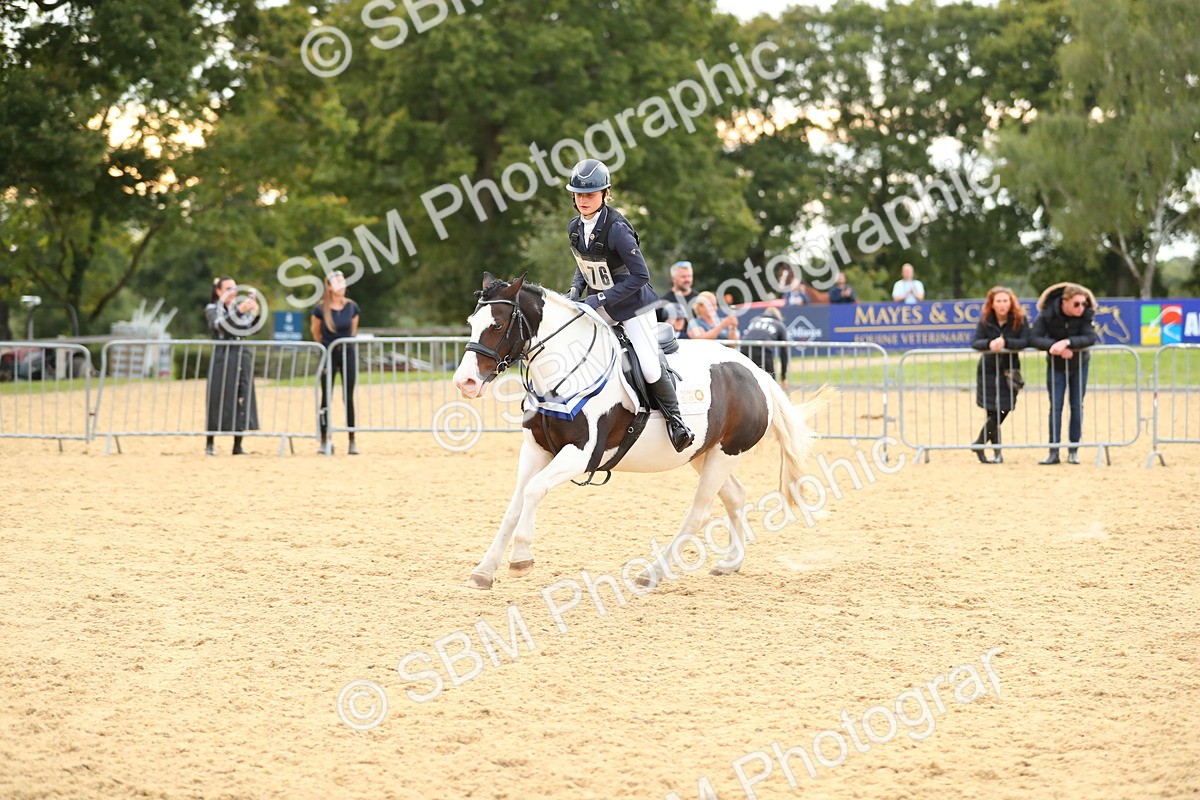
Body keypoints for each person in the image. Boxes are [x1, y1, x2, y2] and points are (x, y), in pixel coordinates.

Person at [566, 158, 694, 452]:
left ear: (604, 193)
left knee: (648, 367)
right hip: (601, 303)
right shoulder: (574, 227)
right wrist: (575, 288)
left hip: (633, 305)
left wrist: (599, 299)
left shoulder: (617, 228)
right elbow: (583, 264)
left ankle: (677, 422)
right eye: (579, 194)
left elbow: (641, 275)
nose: (583, 200)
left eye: (590, 194)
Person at [1030, 282, 1098, 465]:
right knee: (1056, 407)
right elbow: (1033, 337)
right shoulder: (1048, 314)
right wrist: (1054, 347)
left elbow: (1091, 337)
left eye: (1083, 304)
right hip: (1056, 366)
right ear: (1064, 302)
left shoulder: (1085, 315)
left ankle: (1073, 451)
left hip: (1079, 364)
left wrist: (1067, 343)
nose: (1081, 308)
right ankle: (1053, 452)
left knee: (1076, 406)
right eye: (1076, 304)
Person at [969, 287, 1028, 464]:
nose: (1002, 305)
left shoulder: (1019, 320)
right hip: (988, 370)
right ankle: (996, 453)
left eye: (1005, 301)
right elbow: (975, 342)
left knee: (1004, 409)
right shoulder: (985, 321)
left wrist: (1006, 342)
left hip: (1009, 371)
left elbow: (1026, 341)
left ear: (1011, 303)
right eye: (998, 301)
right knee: (992, 411)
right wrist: (990, 344)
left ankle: (980, 442)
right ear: (992, 304)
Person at [204, 276, 260, 456]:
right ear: (218, 291)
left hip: (241, 355)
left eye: (234, 288)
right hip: (222, 356)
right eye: (228, 288)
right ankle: (210, 442)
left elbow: (250, 329)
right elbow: (220, 326)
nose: (232, 292)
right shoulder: (212, 309)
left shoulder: (238, 307)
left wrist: (254, 313)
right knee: (217, 397)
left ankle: (238, 444)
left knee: (242, 396)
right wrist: (239, 312)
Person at [312, 270, 361, 455]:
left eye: (343, 282)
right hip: (328, 355)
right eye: (337, 283)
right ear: (330, 287)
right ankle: (325, 439)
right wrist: (327, 349)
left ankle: (351, 439)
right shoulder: (320, 309)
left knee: (348, 397)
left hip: (347, 354)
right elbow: (316, 333)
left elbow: (352, 331)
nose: (342, 286)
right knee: (326, 397)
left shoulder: (352, 307)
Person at [742, 306, 790, 385]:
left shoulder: (754, 320)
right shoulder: (779, 324)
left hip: (745, 349)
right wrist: (783, 377)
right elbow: (784, 350)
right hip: (763, 352)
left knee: (744, 382)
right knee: (771, 384)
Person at [659, 260, 697, 339]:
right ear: (673, 278)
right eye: (683, 277)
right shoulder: (663, 302)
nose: (687, 279)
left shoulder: (699, 300)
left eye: (689, 276)